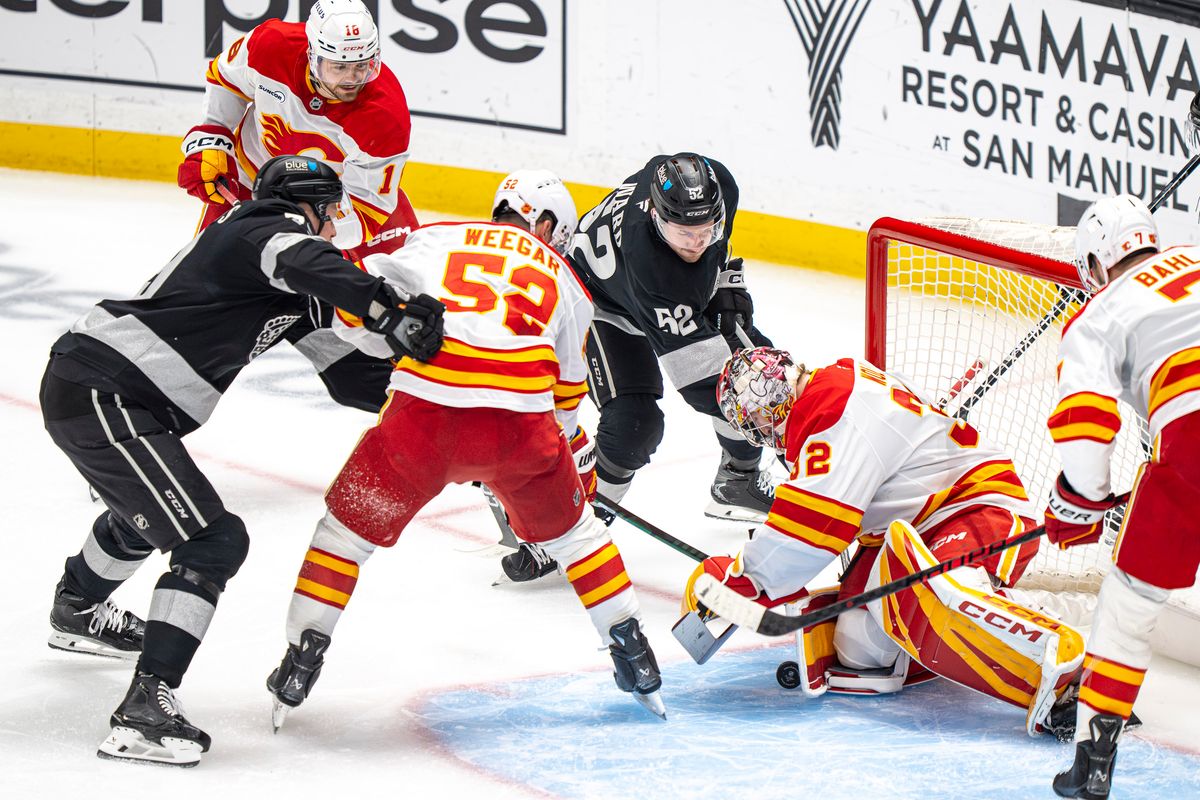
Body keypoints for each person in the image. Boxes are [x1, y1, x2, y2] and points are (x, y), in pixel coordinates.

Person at [40, 155, 445, 766]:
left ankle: (77, 608)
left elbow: (347, 375)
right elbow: (301, 256)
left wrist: (443, 400)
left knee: (145, 515)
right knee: (211, 541)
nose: (336, 228)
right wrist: (387, 307)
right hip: (105, 389)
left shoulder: (286, 277)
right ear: (304, 206)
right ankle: (145, 711)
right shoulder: (255, 227)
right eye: (331, 213)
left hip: (109, 394)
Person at [265, 173, 666, 728]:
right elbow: (568, 394)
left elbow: (352, 308)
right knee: (578, 538)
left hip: (423, 421)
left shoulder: (434, 238)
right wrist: (560, 453)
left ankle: (300, 657)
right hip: (522, 432)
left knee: (344, 535)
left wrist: (389, 342)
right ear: (546, 225)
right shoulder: (566, 277)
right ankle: (634, 653)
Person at [682, 347, 1090, 734]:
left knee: (925, 595)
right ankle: (975, 629)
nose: (763, 432)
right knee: (860, 654)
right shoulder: (834, 383)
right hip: (917, 530)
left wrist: (738, 581)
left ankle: (1069, 671)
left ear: (774, 406)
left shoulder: (831, 412)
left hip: (977, 509)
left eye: (758, 420)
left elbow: (808, 533)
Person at [1045, 195, 1200, 799]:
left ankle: (1093, 763)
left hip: (1190, 448)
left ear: (1096, 261)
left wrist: (1081, 503)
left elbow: (1084, 423)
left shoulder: (1099, 312)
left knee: (1128, 608)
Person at [567, 153, 775, 522]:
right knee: (635, 425)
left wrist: (724, 279)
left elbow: (712, 242)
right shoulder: (653, 270)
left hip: (659, 289)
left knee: (750, 365)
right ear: (656, 217)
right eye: (683, 233)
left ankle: (739, 481)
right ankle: (571, 524)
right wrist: (776, 421)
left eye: (707, 229)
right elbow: (706, 383)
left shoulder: (719, 186)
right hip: (598, 301)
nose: (697, 242)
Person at [178, 0, 418, 258]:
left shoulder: (384, 116)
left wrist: (298, 230)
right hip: (251, 179)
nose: (352, 80)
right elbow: (226, 80)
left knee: (400, 284)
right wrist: (214, 137)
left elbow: (365, 211)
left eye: (361, 66)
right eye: (339, 66)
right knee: (210, 274)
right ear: (312, 55)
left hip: (336, 205)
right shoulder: (270, 45)